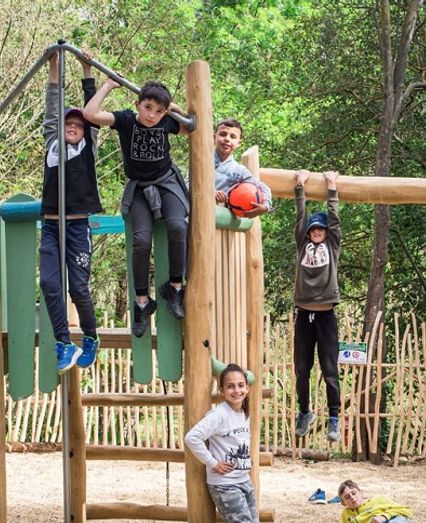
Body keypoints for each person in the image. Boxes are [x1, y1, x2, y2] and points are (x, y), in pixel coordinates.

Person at [83, 77, 189, 337]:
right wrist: (108, 86)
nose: (152, 115)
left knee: (178, 226)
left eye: (159, 111)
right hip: (139, 187)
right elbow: (90, 114)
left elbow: (190, 127)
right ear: (137, 104)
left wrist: (173, 108)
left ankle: (175, 287)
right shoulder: (126, 120)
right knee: (141, 240)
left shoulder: (165, 122)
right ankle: (142, 302)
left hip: (166, 181)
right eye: (148, 107)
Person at [184, 364, 296, 523]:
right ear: (222, 390)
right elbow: (192, 437)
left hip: (243, 481)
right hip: (225, 485)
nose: (237, 390)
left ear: (247, 388)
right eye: (231, 386)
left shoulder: (242, 412)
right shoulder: (218, 415)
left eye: (241, 385)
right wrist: (213, 463)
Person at [39, 51, 102, 374]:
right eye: (69, 123)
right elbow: (53, 105)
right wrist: (53, 65)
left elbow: (91, 110)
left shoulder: (88, 145)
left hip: (77, 227)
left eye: (78, 124)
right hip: (51, 226)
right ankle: (64, 343)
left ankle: (90, 336)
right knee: (49, 284)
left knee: (78, 287)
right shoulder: (52, 141)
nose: (74, 127)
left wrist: (87, 70)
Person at [292, 169, 342, 442]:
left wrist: (332, 187)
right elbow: (300, 218)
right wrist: (300, 187)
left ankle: (334, 417)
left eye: (321, 229)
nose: (317, 231)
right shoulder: (302, 245)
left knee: (330, 370)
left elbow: (334, 220)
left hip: (325, 316)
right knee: (302, 369)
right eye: (314, 229)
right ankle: (304, 412)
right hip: (304, 315)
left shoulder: (332, 246)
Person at [213, 118, 272, 218]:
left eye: (233, 137)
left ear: (239, 143)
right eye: (223, 134)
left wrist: (265, 206)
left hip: (219, 219)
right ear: (214, 137)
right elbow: (187, 184)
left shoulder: (239, 171)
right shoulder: (202, 160)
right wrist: (211, 194)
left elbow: (264, 188)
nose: (227, 139)